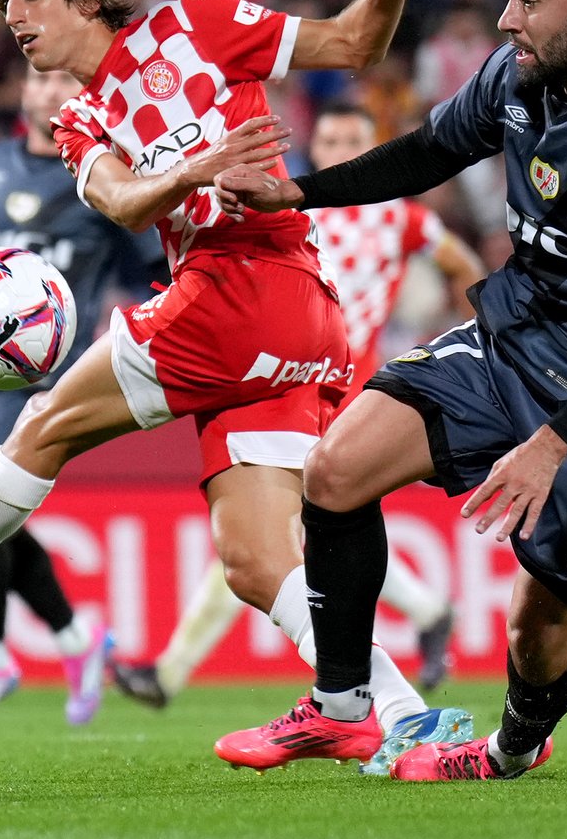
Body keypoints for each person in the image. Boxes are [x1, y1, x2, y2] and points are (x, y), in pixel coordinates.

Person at [0, 0, 469, 771]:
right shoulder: (80, 119)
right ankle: (388, 709)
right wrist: (192, 169)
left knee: (44, 429)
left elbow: (352, 44)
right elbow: (123, 202)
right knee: (254, 560)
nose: (13, 14)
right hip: (295, 322)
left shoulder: (196, 24)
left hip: (239, 288)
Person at [213, 0, 567, 781]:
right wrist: (299, 193)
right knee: (334, 472)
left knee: (539, 629)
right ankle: (341, 708)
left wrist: (550, 444)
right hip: (512, 338)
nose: (505, 17)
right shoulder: (516, 76)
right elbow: (424, 154)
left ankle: (512, 747)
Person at [109, 102, 487, 708]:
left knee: (269, 545)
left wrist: (463, 346)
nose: (339, 148)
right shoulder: (290, 209)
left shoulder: (403, 218)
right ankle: (429, 613)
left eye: (353, 137)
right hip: (296, 384)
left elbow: (463, 267)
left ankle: (176, 673)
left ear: (373, 143)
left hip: (350, 395)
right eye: (330, 137)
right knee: (286, 542)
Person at [0, 63, 163, 727]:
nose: (47, 92)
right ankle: (77, 641)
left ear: (87, 100)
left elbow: (151, 268)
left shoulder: (102, 177)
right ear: (20, 92)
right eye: (37, 81)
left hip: (42, 375)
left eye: (62, 84)